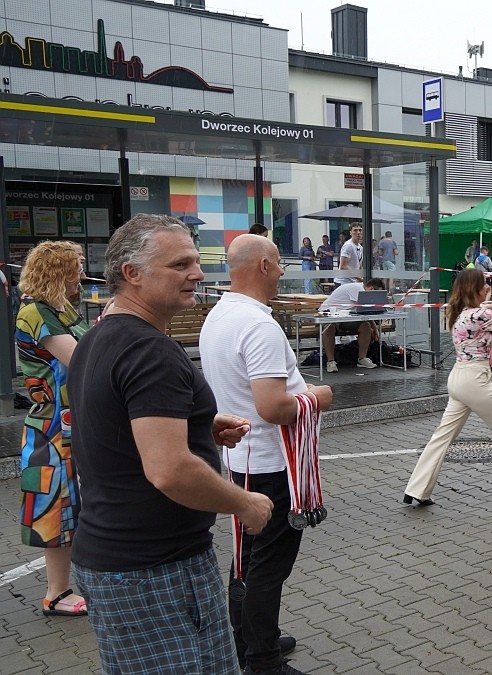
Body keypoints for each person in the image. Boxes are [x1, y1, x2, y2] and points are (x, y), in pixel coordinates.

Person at [68, 214, 272, 675]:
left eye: (196, 262)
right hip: (154, 571)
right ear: (132, 274)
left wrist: (197, 424)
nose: (197, 274)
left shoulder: (98, 337)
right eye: (180, 264)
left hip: (118, 559)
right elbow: (169, 470)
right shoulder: (149, 351)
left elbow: (113, 428)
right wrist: (244, 503)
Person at [200, 235, 332, 675]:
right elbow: (273, 407)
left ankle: (249, 639)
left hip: (244, 461)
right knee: (266, 566)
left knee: (248, 556)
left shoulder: (220, 314)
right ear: (261, 266)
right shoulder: (259, 325)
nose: (281, 273)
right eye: (277, 265)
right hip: (274, 465)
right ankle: (262, 660)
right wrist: (319, 396)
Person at [403, 268, 492, 506]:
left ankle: (417, 488)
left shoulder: (464, 313)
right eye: (484, 285)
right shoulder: (478, 316)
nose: (488, 287)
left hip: (459, 378)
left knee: (442, 437)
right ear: (474, 289)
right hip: (474, 380)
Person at [14, 241, 89, 618]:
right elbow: (80, 357)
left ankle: (70, 587)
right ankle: (56, 594)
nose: (82, 272)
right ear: (58, 272)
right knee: (56, 510)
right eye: (76, 266)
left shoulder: (59, 307)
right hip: (51, 429)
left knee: (74, 508)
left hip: (72, 425)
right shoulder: (35, 312)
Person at [318, 278, 384, 373]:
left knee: (365, 326)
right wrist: (375, 329)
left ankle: (362, 358)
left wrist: (374, 329)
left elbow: (365, 313)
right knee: (329, 327)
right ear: (371, 289)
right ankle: (330, 361)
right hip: (329, 314)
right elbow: (363, 308)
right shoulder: (357, 288)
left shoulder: (361, 290)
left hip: (346, 316)